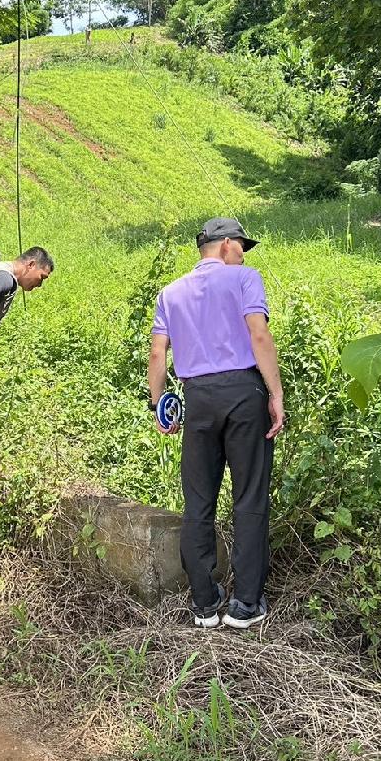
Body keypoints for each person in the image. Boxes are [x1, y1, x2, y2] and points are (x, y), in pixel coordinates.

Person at [148, 218, 284, 630]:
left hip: (198, 398)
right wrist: (275, 393)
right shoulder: (244, 278)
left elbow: (157, 354)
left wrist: (160, 405)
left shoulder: (170, 292)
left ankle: (205, 604)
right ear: (225, 244)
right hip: (244, 393)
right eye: (242, 245)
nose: (243, 253)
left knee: (199, 501)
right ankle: (245, 604)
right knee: (249, 496)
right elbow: (258, 335)